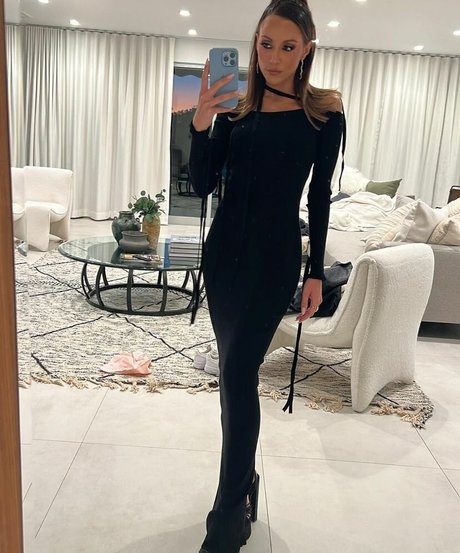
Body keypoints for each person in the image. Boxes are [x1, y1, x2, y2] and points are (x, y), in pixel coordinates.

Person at [188, 1, 345, 551]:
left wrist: (316, 271)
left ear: (307, 50)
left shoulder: (323, 114)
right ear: (254, 44)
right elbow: (202, 183)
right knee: (234, 376)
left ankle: (228, 515)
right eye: (265, 44)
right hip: (223, 259)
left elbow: (320, 196)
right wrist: (201, 122)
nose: (273, 57)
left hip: (274, 259)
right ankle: (244, 484)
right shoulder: (234, 109)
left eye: (287, 46)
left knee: (237, 372)